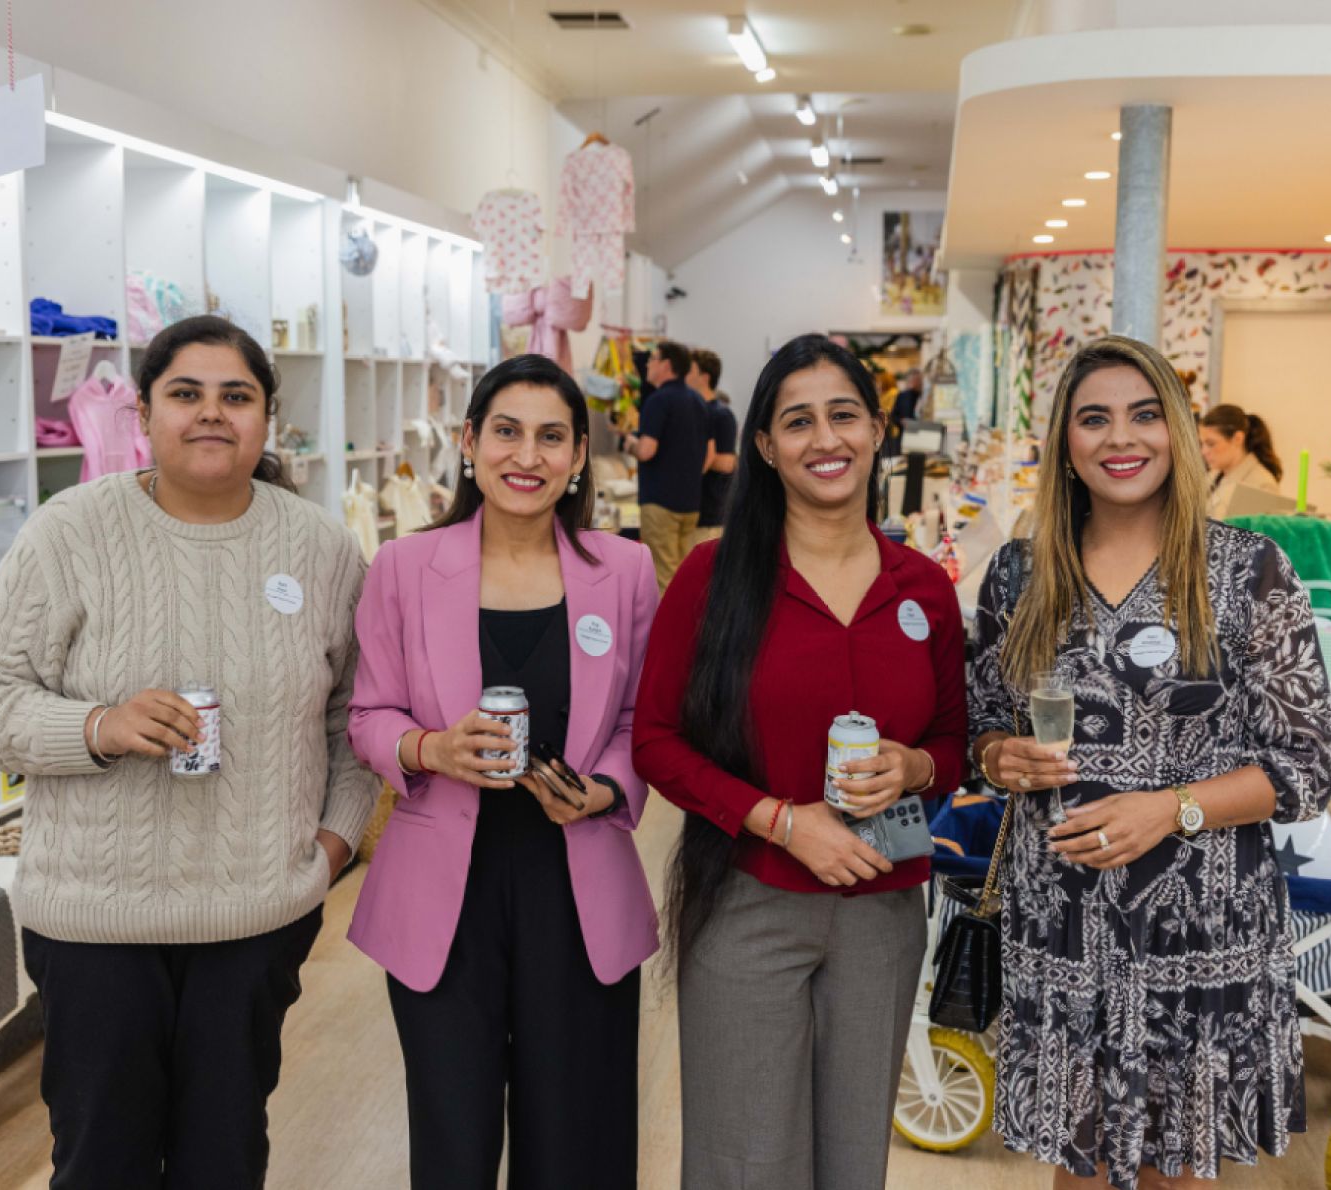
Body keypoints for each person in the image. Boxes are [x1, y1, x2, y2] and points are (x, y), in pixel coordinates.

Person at [0, 315, 377, 1188]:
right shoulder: (69, 531)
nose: (211, 414)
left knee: (224, 1158)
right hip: (95, 920)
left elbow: (352, 720)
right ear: (143, 414)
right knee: (101, 1160)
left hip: (254, 915)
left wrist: (330, 849)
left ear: (267, 416)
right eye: (185, 394)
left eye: (236, 396)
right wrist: (98, 728)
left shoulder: (322, 547)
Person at [966, 335, 1331, 1189]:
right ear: (1064, 441)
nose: (1118, 438)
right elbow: (978, 728)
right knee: (1082, 1161)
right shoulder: (1019, 575)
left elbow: (1305, 766)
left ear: (1174, 429)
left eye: (1142, 415)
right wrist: (1002, 758)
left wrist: (1168, 808)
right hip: (1059, 919)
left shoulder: (1246, 571)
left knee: (1179, 1162)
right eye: (1091, 418)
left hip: (1200, 926)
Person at [634, 333, 968, 1190]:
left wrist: (913, 770)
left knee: (854, 1157)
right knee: (745, 1158)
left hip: (884, 904)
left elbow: (951, 743)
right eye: (798, 421)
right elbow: (656, 742)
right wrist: (781, 821)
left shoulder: (922, 586)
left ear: (876, 428)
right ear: (765, 447)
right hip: (748, 898)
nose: (825, 439)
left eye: (844, 415)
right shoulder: (712, 579)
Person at [348, 353, 660, 1190]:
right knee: (453, 1137)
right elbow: (368, 716)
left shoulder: (622, 571)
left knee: (577, 1141)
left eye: (551, 437)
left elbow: (644, 722)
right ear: (469, 441)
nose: (527, 456)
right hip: (444, 898)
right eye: (507, 432)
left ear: (579, 455)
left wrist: (605, 790)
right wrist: (428, 750)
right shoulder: (403, 569)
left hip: (578, 886)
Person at [623, 339, 709, 590]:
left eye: (652, 359)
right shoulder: (698, 402)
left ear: (666, 365)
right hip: (691, 502)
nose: (648, 365)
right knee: (684, 577)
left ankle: (665, 630)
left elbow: (647, 450)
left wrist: (630, 443)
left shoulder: (659, 401)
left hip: (661, 503)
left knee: (662, 579)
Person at [1200, 402, 1283, 518]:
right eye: (1202, 444)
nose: (1203, 451)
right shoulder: (1212, 476)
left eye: (1211, 444)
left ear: (1237, 439)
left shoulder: (1262, 485)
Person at [689, 347, 737, 544]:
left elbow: (727, 463)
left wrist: (685, 454)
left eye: (689, 370)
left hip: (709, 517)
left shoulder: (721, 415)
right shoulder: (690, 411)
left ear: (704, 377)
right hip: (689, 513)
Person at [884, 367, 925, 456]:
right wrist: (901, 421)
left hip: (921, 437)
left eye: (918, 380)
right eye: (913, 379)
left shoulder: (924, 397)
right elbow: (894, 415)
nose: (916, 383)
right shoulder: (902, 396)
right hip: (904, 436)